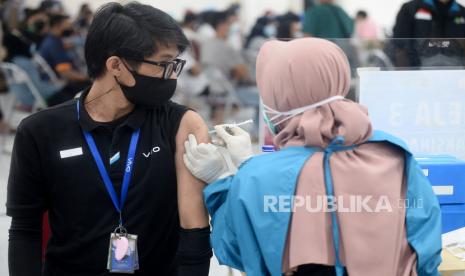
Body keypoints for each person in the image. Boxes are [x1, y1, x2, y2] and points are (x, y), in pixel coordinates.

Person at [183, 38, 442, 275]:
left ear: (279, 99)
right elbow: (426, 252)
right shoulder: (393, 153)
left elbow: (236, 250)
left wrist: (223, 182)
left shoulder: (258, 176)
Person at [7, 2, 212, 275]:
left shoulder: (182, 125)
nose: (171, 76)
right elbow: (25, 229)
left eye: (175, 64)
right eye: (163, 64)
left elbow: (194, 233)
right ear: (116, 65)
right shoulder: (40, 132)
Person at [392, 0, 465, 67]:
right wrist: (406, 76)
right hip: (418, 75)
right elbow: (399, 47)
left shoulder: (462, 12)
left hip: (457, 74)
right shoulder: (410, 8)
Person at [39, 13, 90, 94]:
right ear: (57, 25)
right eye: (66, 24)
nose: (70, 26)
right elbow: (65, 73)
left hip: (66, 81)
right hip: (66, 87)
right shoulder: (53, 45)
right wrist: (88, 78)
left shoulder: (52, 39)